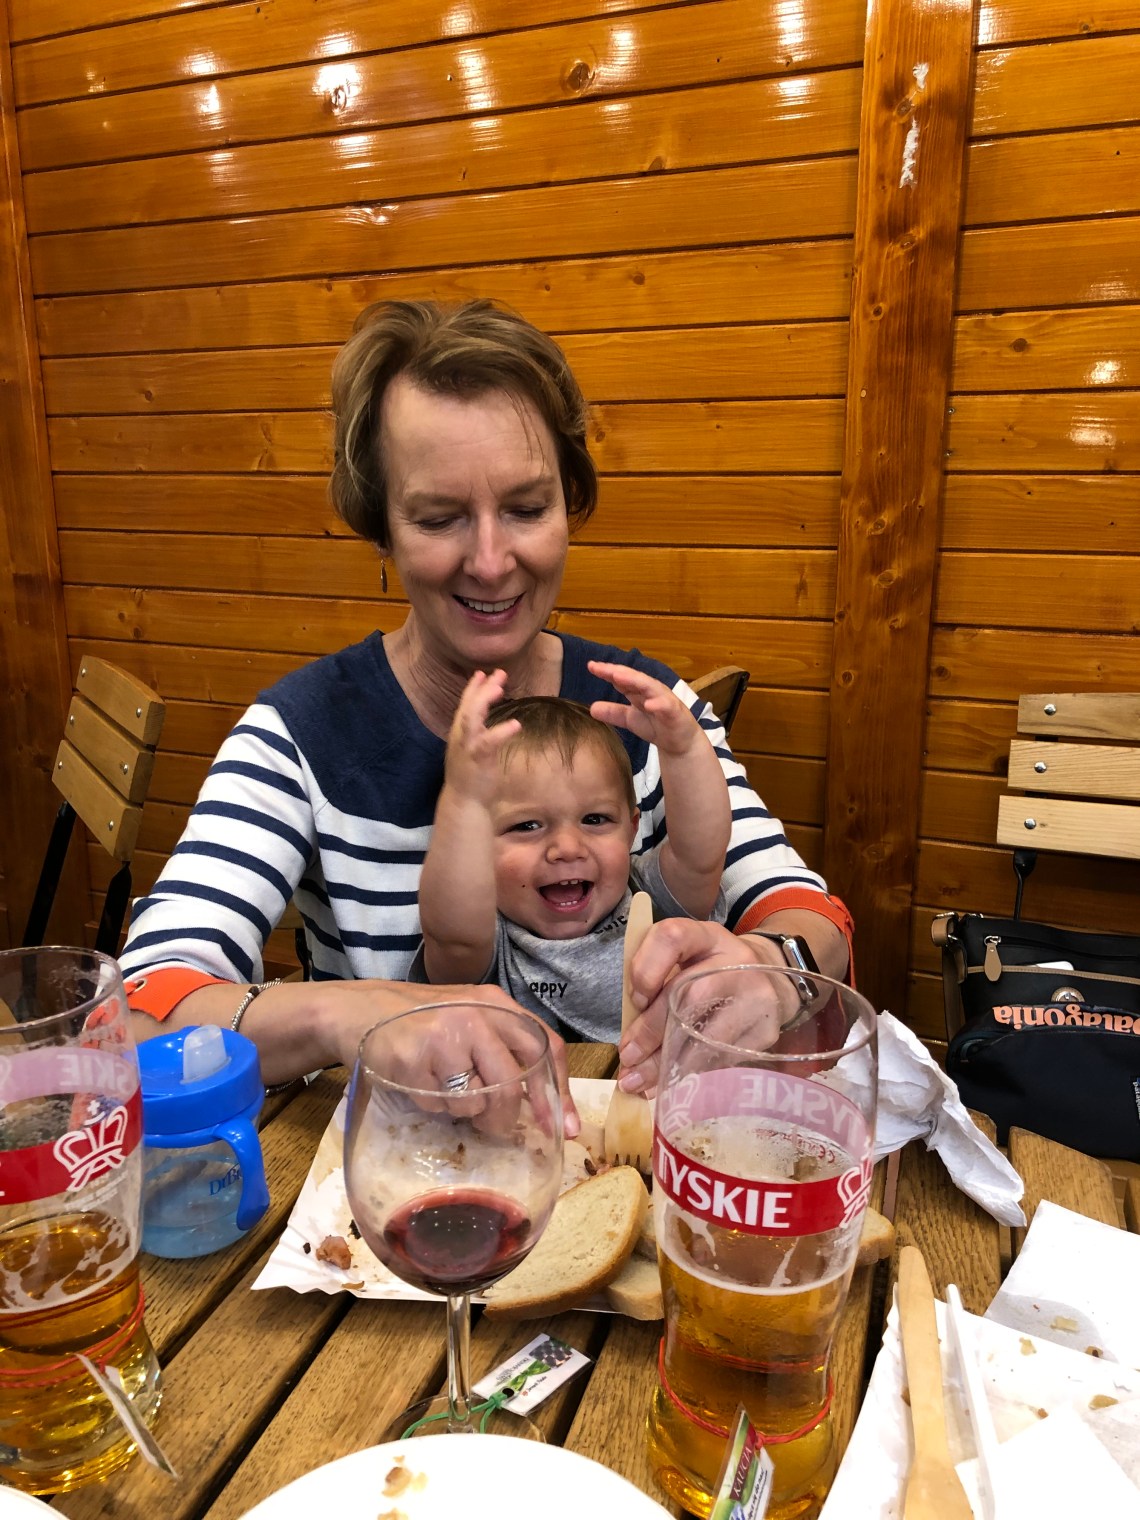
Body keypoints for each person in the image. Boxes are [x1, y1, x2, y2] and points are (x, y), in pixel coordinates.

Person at [118, 299, 852, 1119]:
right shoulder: (297, 738)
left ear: (570, 506)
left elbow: (811, 917)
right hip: (388, 1167)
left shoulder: (648, 715)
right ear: (381, 528)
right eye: (439, 518)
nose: (493, 562)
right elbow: (142, 1008)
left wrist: (772, 970)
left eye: (528, 509)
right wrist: (344, 1015)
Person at [417, 660, 732, 1039]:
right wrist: (463, 798)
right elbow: (453, 936)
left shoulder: (647, 896)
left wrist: (685, 750)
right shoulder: (485, 938)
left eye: (595, 819)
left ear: (631, 829)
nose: (567, 848)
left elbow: (700, 857)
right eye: (527, 825)